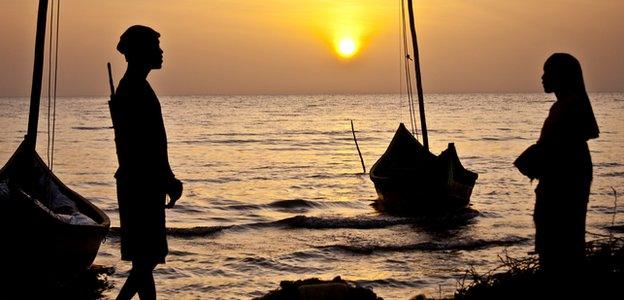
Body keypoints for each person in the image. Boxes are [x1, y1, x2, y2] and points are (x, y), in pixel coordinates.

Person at [110, 25, 183, 300]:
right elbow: (145, 147)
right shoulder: (133, 91)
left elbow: (152, 145)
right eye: (155, 46)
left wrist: (167, 177)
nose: (161, 52)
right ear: (141, 51)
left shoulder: (136, 87)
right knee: (147, 259)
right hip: (140, 184)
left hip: (141, 182)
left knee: (145, 261)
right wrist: (167, 178)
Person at [516, 53, 599, 275]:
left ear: (562, 76)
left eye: (548, 72)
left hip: (561, 188)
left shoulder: (567, 108)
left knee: (559, 249)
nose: (542, 77)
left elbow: (556, 151)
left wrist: (534, 159)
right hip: (564, 182)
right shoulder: (568, 106)